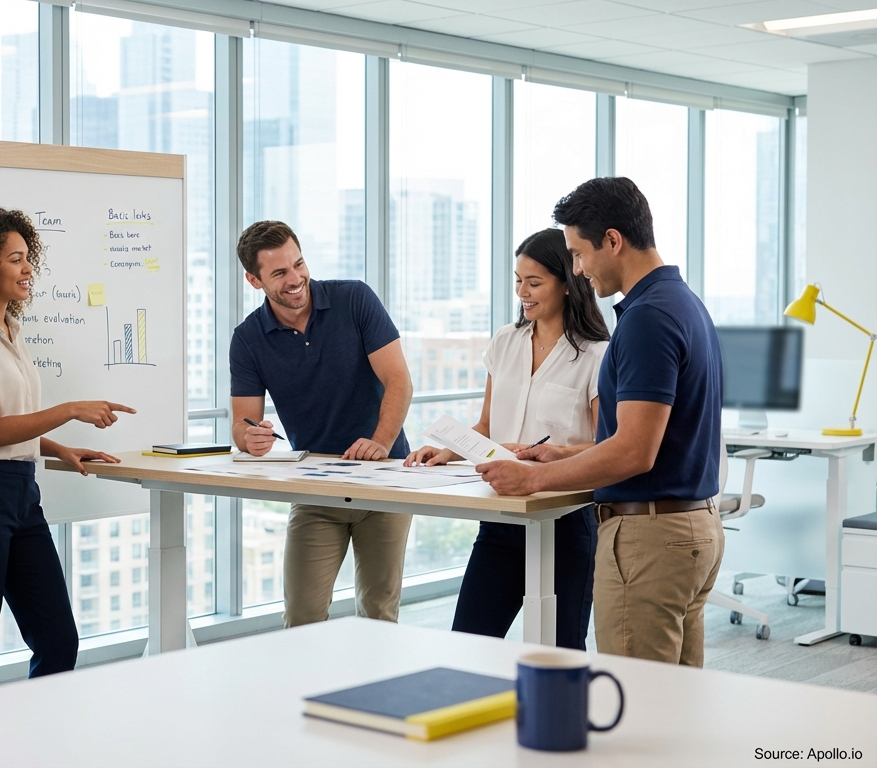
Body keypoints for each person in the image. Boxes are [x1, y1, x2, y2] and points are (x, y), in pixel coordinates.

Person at [477, 177, 723, 667]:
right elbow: (654, 438)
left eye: (578, 253)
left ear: (612, 240)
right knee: (676, 699)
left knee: (637, 698)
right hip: (692, 527)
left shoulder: (648, 318)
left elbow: (634, 451)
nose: (578, 269)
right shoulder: (682, 303)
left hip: (650, 538)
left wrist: (534, 477)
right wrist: (564, 453)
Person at [0, 208, 134, 693]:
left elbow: (10, 420)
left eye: (27, 258)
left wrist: (60, 449)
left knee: (58, 640)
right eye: (15, 259)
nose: (27, 269)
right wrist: (70, 409)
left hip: (20, 492)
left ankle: (36, 732)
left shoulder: (11, 331)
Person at [406, 229, 608, 649]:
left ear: (567, 284)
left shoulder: (595, 353)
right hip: (502, 519)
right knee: (469, 642)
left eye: (534, 283)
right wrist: (446, 450)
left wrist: (552, 454)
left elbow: (605, 445)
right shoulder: (505, 341)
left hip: (566, 521)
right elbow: (486, 426)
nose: (522, 293)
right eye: (518, 281)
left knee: (561, 651)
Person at [230, 220, 414, 627]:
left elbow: (399, 380)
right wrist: (251, 438)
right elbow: (242, 425)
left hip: (384, 479)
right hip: (316, 489)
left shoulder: (355, 299)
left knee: (379, 613)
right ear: (254, 280)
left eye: (299, 264)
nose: (296, 279)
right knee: (302, 616)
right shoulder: (247, 338)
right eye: (279, 273)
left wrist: (381, 441)